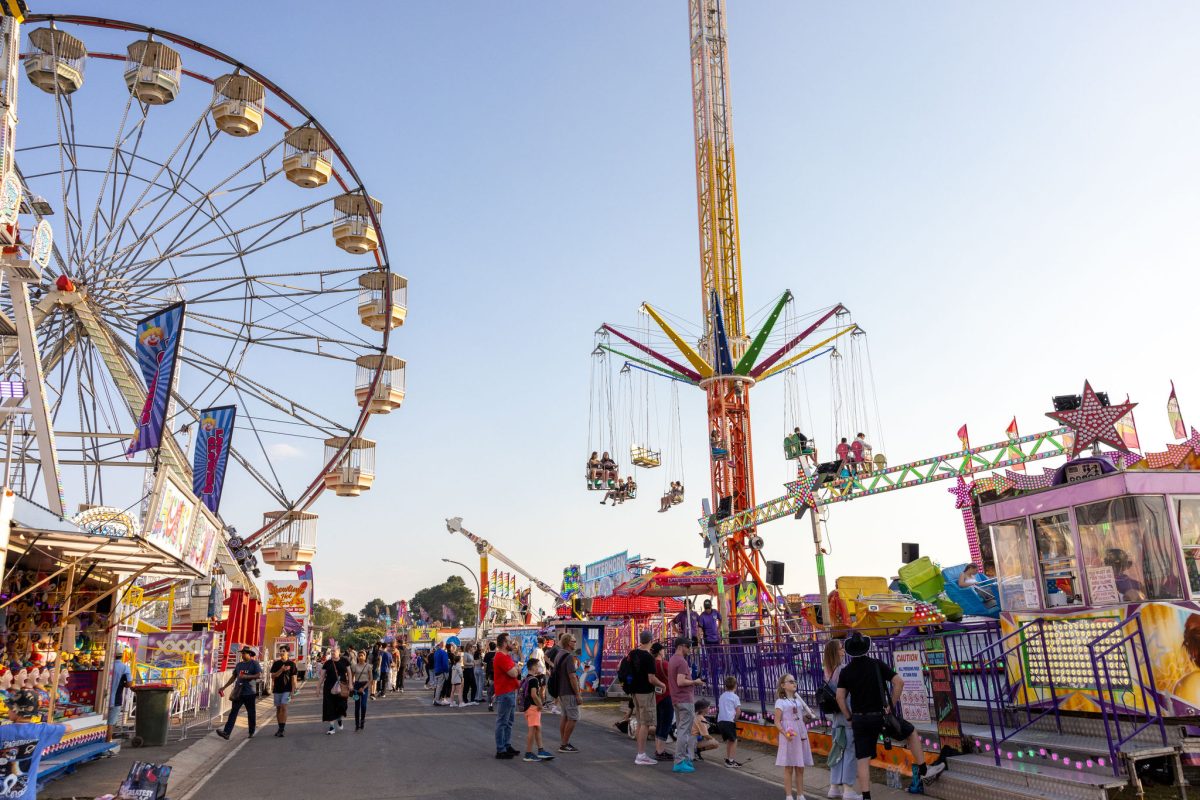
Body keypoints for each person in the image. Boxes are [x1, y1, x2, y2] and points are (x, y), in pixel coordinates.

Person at [836, 632, 943, 798]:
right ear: (866, 647)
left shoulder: (846, 671)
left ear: (850, 651)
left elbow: (840, 697)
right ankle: (923, 769)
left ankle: (866, 796)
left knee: (862, 758)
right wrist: (891, 705)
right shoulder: (876, 664)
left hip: (859, 718)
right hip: (880, 716)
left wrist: (849, 716)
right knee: (911, 733)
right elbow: (899, 682)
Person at [822, 639, 856, 797]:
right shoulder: (843, 670)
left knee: (837, 750)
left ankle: (834, 786)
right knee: (850, 750)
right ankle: (848, 788)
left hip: (835, 717)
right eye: (841, 649)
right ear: (836, 652)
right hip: (847, 713)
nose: (843, 651)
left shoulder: (827, 671)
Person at [774, 673, 815, 800]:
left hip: (800, 733)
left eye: (794, 681)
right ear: (783, 685)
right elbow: (777, 721)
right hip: (789, 735)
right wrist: (785, 733)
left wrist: (808, 717)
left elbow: (799, 719)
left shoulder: (798, 701)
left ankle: (800, 794)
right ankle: (788, 795)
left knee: (800, 767)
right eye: (790, 681)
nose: (794, 683)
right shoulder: (780, 702)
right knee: (789, 766)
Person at [668, 636, 705, 773]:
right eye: (688, 646)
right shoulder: (682, 662)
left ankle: (682, 759)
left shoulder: (672, 660)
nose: (690, 649)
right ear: (681, 646)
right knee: (684, 732)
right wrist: (695, 681)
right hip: (684, 699)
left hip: (676, 699)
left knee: (681, 729)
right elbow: (681, 681)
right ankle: (679, 761)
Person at [628, 630, 666, 766]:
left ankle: (640, 752)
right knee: (645, 723)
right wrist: (662, 684)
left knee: (640, 722)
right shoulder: (649, 657)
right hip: (646, 692)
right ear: (651, 640)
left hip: (634, 691)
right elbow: (651, 678)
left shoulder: (632, 653)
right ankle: (641, 754)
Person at [216, 646, 262, 740]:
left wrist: (246, 677)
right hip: (239, 692)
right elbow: (233, 677)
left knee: (251, 713)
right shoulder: (239, 665)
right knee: (233, 712)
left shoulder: (254, 663)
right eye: (242, 653)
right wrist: (224, 687)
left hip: (250, 692)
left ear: (249, 654)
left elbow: (259, 675)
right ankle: (226, 732)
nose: (242, 654)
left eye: (244, 653)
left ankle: (251, 731)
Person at [520, 657, 555, 761]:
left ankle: (541, 750)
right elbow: (534, 695)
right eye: (538, 666)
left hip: (527, 707)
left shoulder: (526, 678)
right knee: (532, 730)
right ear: (534, 667)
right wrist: (540, 705)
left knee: (537, 728)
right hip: (533, 708)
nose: (539, 667)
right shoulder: (534, 680)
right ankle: (528, 753)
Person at [493, 633, 520, 759]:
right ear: (504, 643)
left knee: (508, 722)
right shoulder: (501, 657)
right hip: (505, 692)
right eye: (509, 641)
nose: (511, 643)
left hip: (510, 691)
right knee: (502, 721)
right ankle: (501, 749)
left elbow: (515, 671)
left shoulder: (506, 656)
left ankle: (506, 745)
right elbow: (514, 673)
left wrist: (515, 669)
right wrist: (516, 669)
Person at [553, 633, 582, 752]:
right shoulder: (569, 657)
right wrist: (577, 694)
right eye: (573, 641)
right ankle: (564, 744)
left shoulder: (559, 654)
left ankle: (564, 741)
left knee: (565, 716)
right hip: (569, 691)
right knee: (573, 717)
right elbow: (572, 677)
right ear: (568, 643)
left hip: (561, 690)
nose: (575, 643)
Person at [652, 641, 674, 761]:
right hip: (666, 694)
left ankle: (658, 749)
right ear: (660, 651)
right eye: (663, 650)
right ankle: (661, 750)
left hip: (657, 696)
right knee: (666, 723)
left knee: (659, 723)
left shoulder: (652, 664)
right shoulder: (664, 664)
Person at [269, 645, 298, 738]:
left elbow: (294, 679)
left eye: (283, 651)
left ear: (288, 652)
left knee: (283, 707)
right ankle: (280, 727)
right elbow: (273, 676)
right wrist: (281, 670)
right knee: (278, 709)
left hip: (287, 689)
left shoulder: (292, 664)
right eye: (280, 651)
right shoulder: (276, 664)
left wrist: (293, 691)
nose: (281, 653)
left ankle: (282, 729)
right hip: (277, 689)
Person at [321, 647, 350, 735]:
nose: (333, 652)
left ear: (339, 652)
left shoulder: (344, 661)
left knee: (342, 706)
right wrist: (318, 688)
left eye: (335, 651)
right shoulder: (327, 663)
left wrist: (351, 684)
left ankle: (339, 718)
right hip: (329, 688)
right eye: (332, 651)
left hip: (342, 687)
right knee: (330, 707)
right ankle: (331, 727)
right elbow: (322, 676)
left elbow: (349, 672)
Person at [717, 675, 742, 768]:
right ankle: (731, 760)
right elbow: (738, 711)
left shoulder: (722, 696)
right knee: (734, 740)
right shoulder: (735, 697)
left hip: (721, 721)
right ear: (735, 685)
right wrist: (735, 719)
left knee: (729, 740)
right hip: (729, 721)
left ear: (725, 686)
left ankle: (728, 759)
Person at [108, 644, 132, 736]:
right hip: (116, 699)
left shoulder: (107, 665)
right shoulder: (125, 668)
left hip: (102, 699)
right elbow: (129, 684)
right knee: (110, 723)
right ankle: (108, 742)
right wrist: (123, 684)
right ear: (122, 655)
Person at [350, 649, 373, 730]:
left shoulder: (368, 666)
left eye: (362, 656)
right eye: (359, 656)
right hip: (356, 686)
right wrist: (352, 685)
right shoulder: (354, 666)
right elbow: (352, 677)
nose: (360, 657)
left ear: (365, 656)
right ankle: (357, 724)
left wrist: (363, 688)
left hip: (364, 686)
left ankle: (362, 720)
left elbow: (371, 679)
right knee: (357, 706)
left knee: (363, 705)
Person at [432, 641, 450, 706]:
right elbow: (445, 664)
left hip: (436, 670)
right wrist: (447, 671)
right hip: (442, 671)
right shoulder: (444, 653)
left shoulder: (436, 652)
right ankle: (437, 700)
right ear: (443, 646)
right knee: (440, 687)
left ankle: (435, 699)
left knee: (437, 686)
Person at [484, 640, 497, 711]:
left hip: (489, 674)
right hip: (497, 674)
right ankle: (494, 698)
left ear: (489, 647)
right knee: (496, 689)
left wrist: (485, 673)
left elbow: (485, 665)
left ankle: (490, 704)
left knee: (489, 690)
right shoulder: (497, 654)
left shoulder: (487, 654)